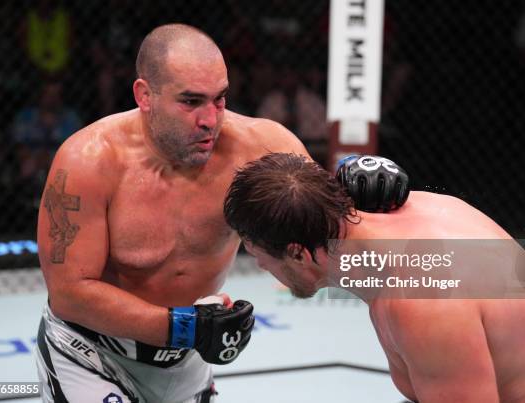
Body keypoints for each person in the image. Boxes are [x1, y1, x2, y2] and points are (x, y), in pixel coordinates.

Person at [35, 24, 409, 402]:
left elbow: (320, 218)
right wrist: (185, 328)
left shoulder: (259, 147)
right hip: (90, 354)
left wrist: (363, 191)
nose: (210, 119)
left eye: (219, 99)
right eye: (191, 101)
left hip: (185, 360)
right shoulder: (88, 161)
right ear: (145, 95)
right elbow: (70, 293)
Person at [223, 153, 525, 403]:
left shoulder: (420, 298)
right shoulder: (416, 210)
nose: (261, 269)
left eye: (259, 256)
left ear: (298, 253)